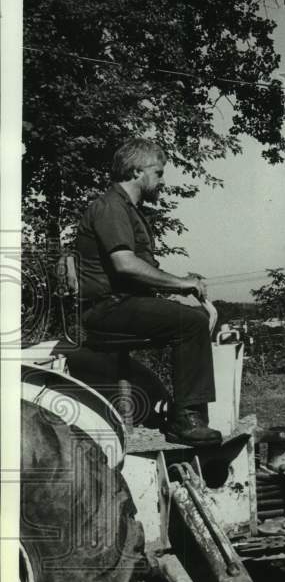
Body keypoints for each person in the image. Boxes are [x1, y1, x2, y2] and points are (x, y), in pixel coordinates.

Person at [75, 138, 221, 446]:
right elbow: (124, 264)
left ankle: (186, 412)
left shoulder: (126, 209)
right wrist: (183, 283)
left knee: (188, 317)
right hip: (107, 309)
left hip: (122, 304)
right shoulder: (111, 207)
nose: (162, 180)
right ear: (136, 171)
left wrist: (181, 283)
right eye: (158, 172)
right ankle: (186, 420)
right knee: (191, 322)